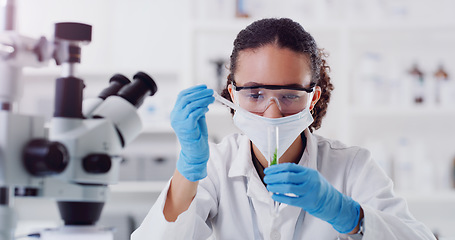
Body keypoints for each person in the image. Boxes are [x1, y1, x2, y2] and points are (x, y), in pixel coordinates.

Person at [132, 18, 435, 240]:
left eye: (290, 95)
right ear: (232, 95)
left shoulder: (352, 166)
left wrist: (348, 215)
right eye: (255, 94)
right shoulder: (215, 164)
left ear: (312, 98)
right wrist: (188, 169)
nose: (273, 112)